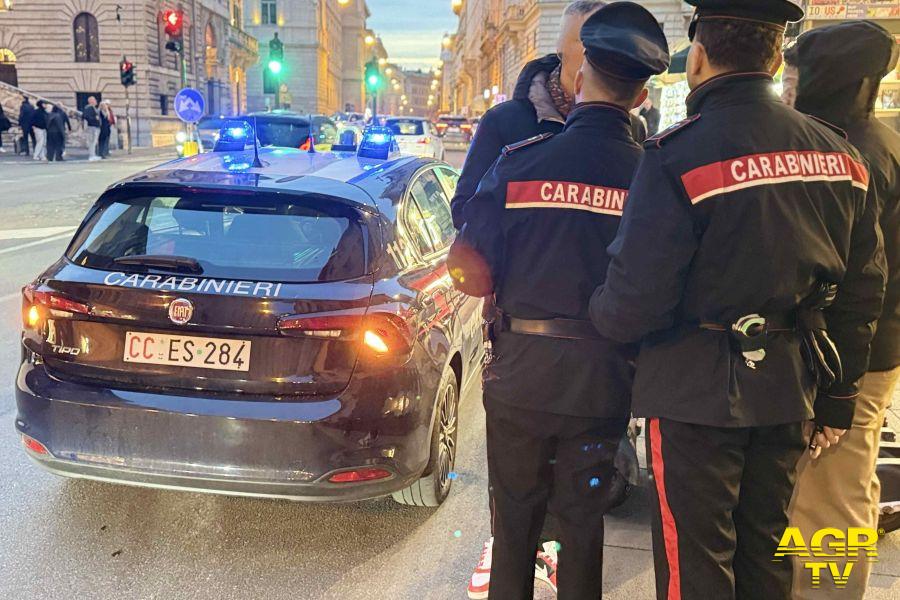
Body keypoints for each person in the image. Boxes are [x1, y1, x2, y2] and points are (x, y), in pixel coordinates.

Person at [588, 1, 887, 599]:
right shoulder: (840, 157)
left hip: (693, 390)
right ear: (777, 58)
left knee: (695, 566)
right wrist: (838, 398)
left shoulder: (677, 155)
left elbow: (637, 298)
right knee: (766, 556)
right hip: (788, 385)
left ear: (697, 57)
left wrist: (600, 318)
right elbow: (862, 292)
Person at [448, 3, 670, 599]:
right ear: (642, 94)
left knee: (514, 523)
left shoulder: (520, 162)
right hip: (602, 380)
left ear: (579, 77)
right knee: (583, 523)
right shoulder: (650, 175)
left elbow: (468, 260)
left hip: (521, 373)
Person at [786, 21, 900, 600]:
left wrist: (838, 382)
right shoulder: (882, 143)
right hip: (871, 351)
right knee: (849, 487)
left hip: (847, 356)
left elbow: (857, 281)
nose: (790, 84)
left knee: (827, 502)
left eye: (800, 72)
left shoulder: (850, 154)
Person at [451, 1, 607, 230]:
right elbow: (463, 212)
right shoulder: (503, 121)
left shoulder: (627, 128)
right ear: (561, 47)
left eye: (608, 43)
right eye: (588, 41)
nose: (598, 53)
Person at [83, 96, 101, 161]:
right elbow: (86, 116)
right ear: (91, 101)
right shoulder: (89, 108)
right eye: (94, 100)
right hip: (92, 127)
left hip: (94, 126)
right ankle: (92, 155)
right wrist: (94, 119)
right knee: (92, 141)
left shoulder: (92, 108)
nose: (96, 101)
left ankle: (93, 154)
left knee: (94, 142)